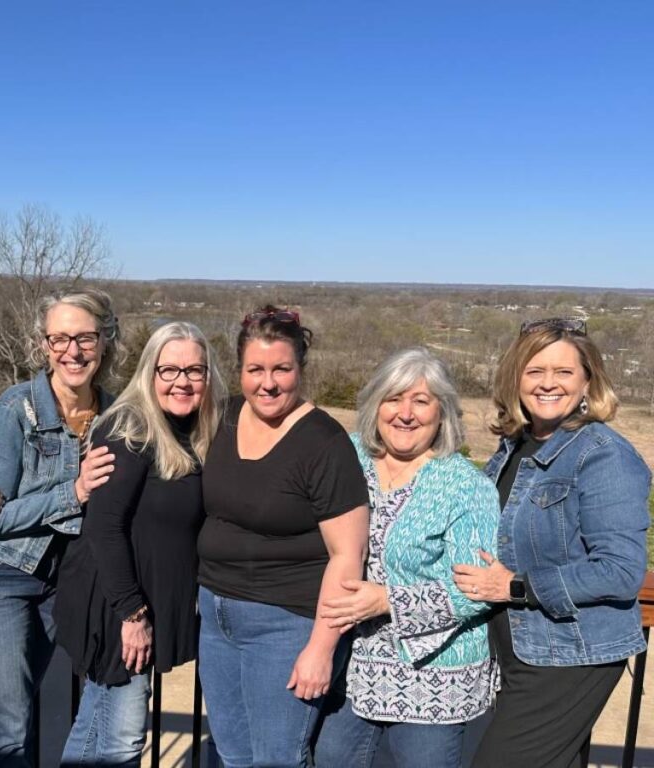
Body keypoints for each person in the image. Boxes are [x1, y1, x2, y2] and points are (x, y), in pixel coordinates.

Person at [452, 318, 651, 768]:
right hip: (513, 650)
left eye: (563, 372)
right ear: (515, 379)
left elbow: (621, 571)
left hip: (568, 657)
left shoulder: (602, 455)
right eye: (534, 371)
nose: (548, 384)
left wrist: (515, 587)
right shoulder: (513, 448)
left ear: (588, 381)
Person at [196, 306, 369, 768]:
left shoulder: (324, 444)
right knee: (232, 754)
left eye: (281, 369)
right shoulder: (224, 417)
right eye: (255, 370)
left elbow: (347, 556)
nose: (268, 383)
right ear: (240, 371)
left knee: (277, 759)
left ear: (301, 370)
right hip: (214, 614)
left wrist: (320, 648)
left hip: (285, 624)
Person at [315, 347, 500, 768]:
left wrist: (387, 601)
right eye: (394, 398)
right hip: (352, 667)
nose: (405, 413)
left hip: (435, 680)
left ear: (442, 412)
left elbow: (476, 590)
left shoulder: (465, 486)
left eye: (421, 401)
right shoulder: (348, 456)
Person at [0, 287, 122, 767]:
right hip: (1, 575)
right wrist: (72, 493)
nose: (72, 351)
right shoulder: (16, 409)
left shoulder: (116, 414)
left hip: (64, 580)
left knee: (14, 710)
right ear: (43, 344)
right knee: (11, 717)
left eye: (85, 338)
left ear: (106, 341)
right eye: (59, 339)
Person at [54, 321, 226, 766]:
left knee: (96, 725)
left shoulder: (195, 431)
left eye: (194, 370)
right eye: (168, 370)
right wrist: (132, 614)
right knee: (122, 741)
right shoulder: (129, 430)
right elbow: (104, 528)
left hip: (142, 601)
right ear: (149, 373)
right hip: (118, 605)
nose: (181, 381)